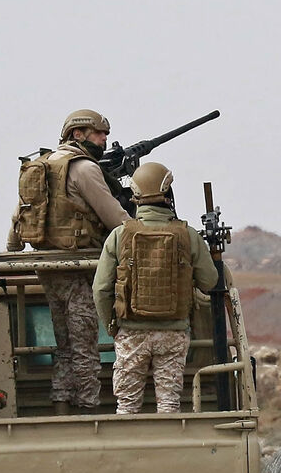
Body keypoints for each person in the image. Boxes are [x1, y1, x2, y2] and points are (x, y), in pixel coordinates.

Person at [9, 109, 130, 415]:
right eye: (99, 133)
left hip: (49, 268)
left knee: (64, 348)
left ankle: (61, 406)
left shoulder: (42, 166)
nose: (105, 140)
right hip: (79, 268)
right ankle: (88, 417)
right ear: (78, 134)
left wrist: (12, 253)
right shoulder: (83, 168)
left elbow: (19, 218)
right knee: (85, 348)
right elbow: (115, 218)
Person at [92, 162, 218, 414]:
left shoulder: (119, 235)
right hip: (174, 333)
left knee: (127, 406)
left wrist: (112, 327)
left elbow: (101, 289)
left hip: (131, 334)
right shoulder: (188, 235)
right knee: (169, 405)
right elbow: (209, 281)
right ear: (168, 192)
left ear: (135, 196)